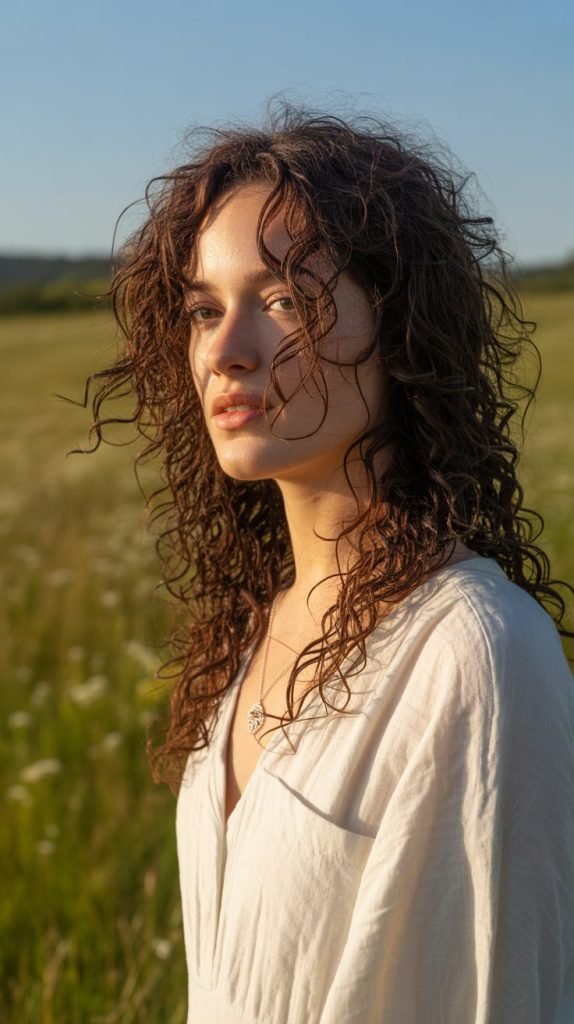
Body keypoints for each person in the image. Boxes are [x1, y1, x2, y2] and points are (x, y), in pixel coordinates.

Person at [85, 106, 574, 1022]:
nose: (225, 352)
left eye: (282, 302)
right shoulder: (255, 627)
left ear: (399, 327)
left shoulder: (474, 654)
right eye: (204, 310)